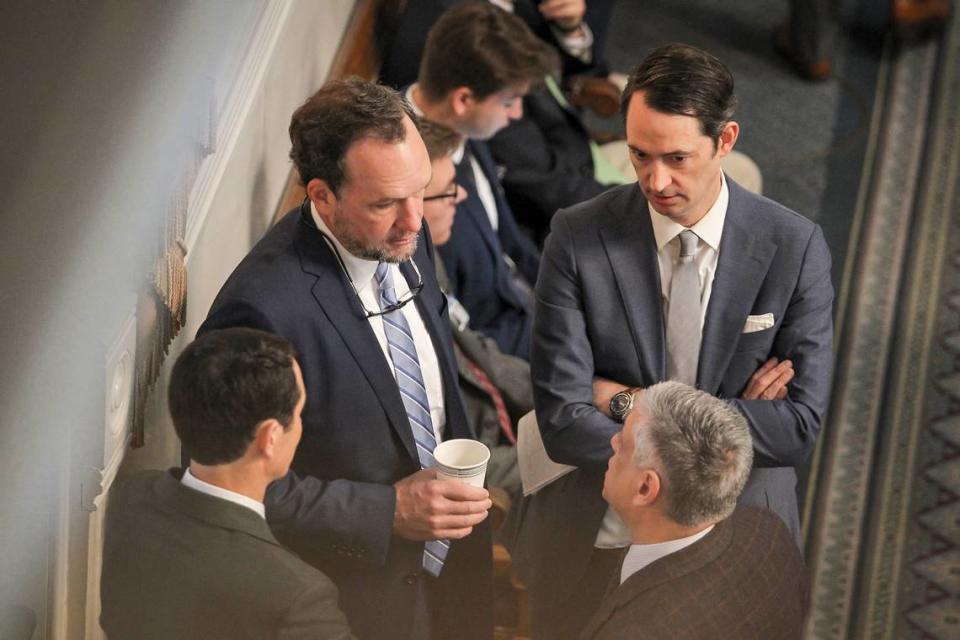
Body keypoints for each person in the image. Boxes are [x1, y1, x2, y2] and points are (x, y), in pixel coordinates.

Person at [505, 43, 834, 639]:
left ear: (726, 140)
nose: (656, 180)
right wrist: (726, 424)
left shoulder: (794, 246)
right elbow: (560, 417)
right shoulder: (576, 238)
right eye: (639, 155)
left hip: (738, 524)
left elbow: (801, 428)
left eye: (678, 157)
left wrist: (625, 400)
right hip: (595, 531)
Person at [199, 79, 493, 640]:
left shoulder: (402, 232)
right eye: (385, 203)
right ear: (321, 196)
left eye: (420, 191)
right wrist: (386, 511)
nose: (414, 220)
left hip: (455, 575)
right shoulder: (260, 310)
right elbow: (230, 488)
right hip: (354, 606)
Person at [100, 328, 354, 640]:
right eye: (299, 413)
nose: (300, 426)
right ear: (269, 437)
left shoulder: (132, 499)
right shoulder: (298, 597)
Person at [582, 382, 809, 639]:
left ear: (645, 488)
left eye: (623, 443)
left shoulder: (634, 631)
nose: (612, 441)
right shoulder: (767, 529)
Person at [407, 1, 557, 359]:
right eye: (509, 102)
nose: (518, 114)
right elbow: (465, 337)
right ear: (463, 99)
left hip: (533, 300)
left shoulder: (462, 131)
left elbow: (510, 241)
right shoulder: (417, 187)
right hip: (511, 348)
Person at [418, 118, 530, 500]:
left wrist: (563, 396)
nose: (462, 197)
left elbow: (476, 350)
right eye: (448, 190)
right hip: (462, 464)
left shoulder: (423, 259)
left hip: (497, 419)